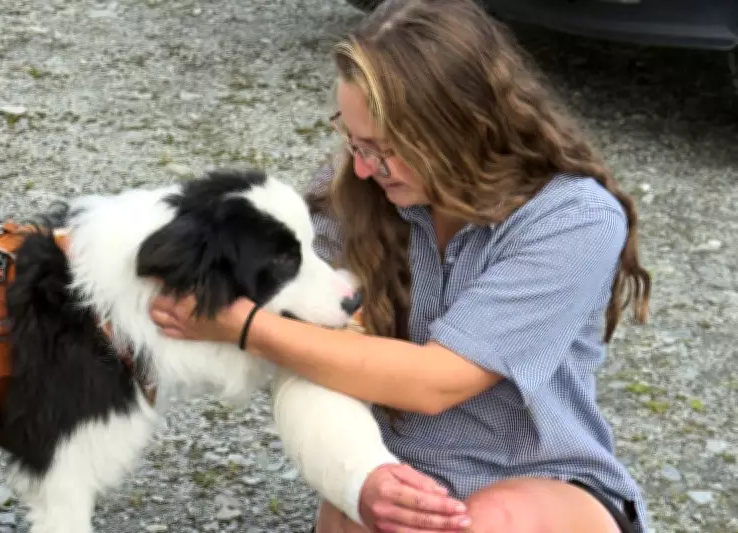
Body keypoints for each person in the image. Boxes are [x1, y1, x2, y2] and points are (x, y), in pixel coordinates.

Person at [149, 0, 654, 532]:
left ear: (464, 126)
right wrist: (358, 478)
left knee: (479, 522)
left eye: (383, 148)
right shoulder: (353, 190)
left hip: (543, 478)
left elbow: (437, 381)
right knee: (387, 513)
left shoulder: (573, 219)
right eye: (352, 140)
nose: (363, 168)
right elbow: (310, 337)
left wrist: (244, 327)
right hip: (394, 471)